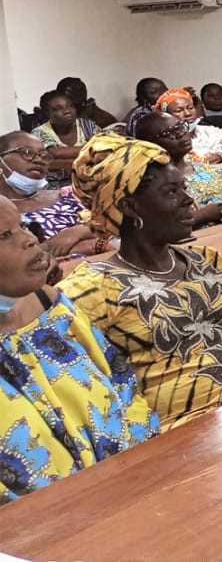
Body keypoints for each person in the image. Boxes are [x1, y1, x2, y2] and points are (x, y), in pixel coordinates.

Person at [59, 134, 222, 431]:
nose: (190, 200)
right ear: (131, 207)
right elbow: (85, 394)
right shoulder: (90, 290)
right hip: (186, 433)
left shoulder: (210, 261)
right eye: (171, 191)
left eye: (183, 188)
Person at [0, 196, 158, 503]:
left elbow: (120, 383)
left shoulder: (50, 304)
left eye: (22, 226)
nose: (30, 240)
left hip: (131, 486)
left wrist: (140, 465)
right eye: (4, 235)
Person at [134, 112, 222, 227]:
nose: (182, 134)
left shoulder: (211, 171)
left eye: (181, 127)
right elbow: (150, 228)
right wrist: (201, 216)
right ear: (149, 144)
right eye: (172, 133)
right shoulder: (148, 184)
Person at [0, 131, 106, 258]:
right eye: (27, 153)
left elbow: (116, 222)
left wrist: (75, 233)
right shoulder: (4, 213)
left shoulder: (70, 195)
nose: (39, 160)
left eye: (44, 156)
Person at [153, 87, 222, 164]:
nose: (187, 113)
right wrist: (220, 155)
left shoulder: (211, 131)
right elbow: (187, 164)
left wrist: (219, 163)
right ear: (167, 116)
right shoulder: (164, 140)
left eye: (190, 108)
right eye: (179, 110)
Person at [31, 90, 100, 186]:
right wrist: (92, 153)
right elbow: (53, 153)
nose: (67, 111)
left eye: (70, 106)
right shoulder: (39, 133)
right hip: (55, 186)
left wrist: (59, 161)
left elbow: (105, 149)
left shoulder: (88, 126)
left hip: (91, 183)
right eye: (58, 108)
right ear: (48, 114)